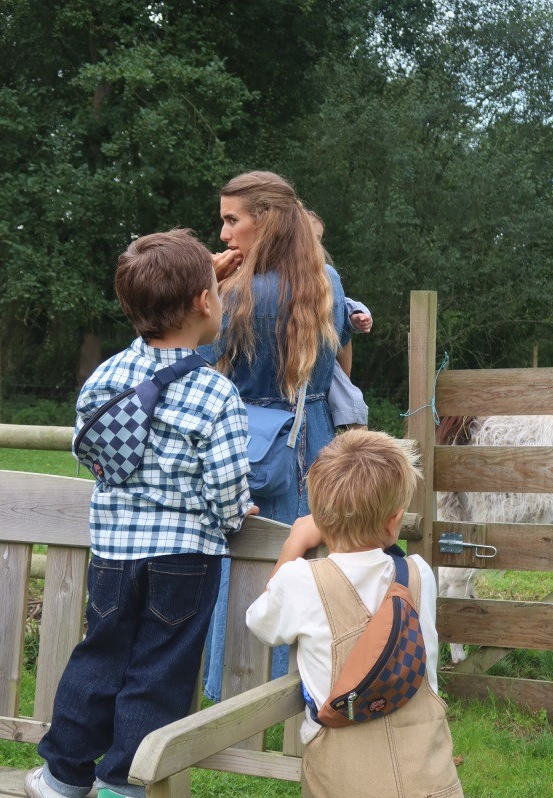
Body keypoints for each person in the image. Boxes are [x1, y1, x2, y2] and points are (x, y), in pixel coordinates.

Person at [25, 229, 256, 798]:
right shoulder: (216, 394)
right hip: (184, 558)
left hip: (113, 554)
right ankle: (123, 786)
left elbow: (94, 455)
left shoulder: (103, 378)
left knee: (98, 660)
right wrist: (232, 512)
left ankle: (61, 778)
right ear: (206, 302)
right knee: (158, 672)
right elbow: (226, 485)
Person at [246, 430, 463, 798]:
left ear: (318, 516)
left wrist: (295, 542)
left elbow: (260, 620)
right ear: (395, 522)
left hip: (342, 778)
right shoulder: (419, 574)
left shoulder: (302, 581)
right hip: (428, 774)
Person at [200, 171, 350, 701]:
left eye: (231, 220)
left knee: (238, 564)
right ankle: (305, 687)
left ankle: (229, 688)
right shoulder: (327, 282)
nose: (223, 234)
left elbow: (191, 362)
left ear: (263, 222)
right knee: (313, 568)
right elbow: (343, 344)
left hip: (244, 444)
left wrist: (207, 290)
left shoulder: (235, 294)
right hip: (317, 445)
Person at [306, 209, 371, 429]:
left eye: (318, 240)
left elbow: (341, 310)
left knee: (350, 397)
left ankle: (358, 440)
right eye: (308, 238)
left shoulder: (325, 276)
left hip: (321, 363)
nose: (316, 247)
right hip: (304, 365)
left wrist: (355, 316)